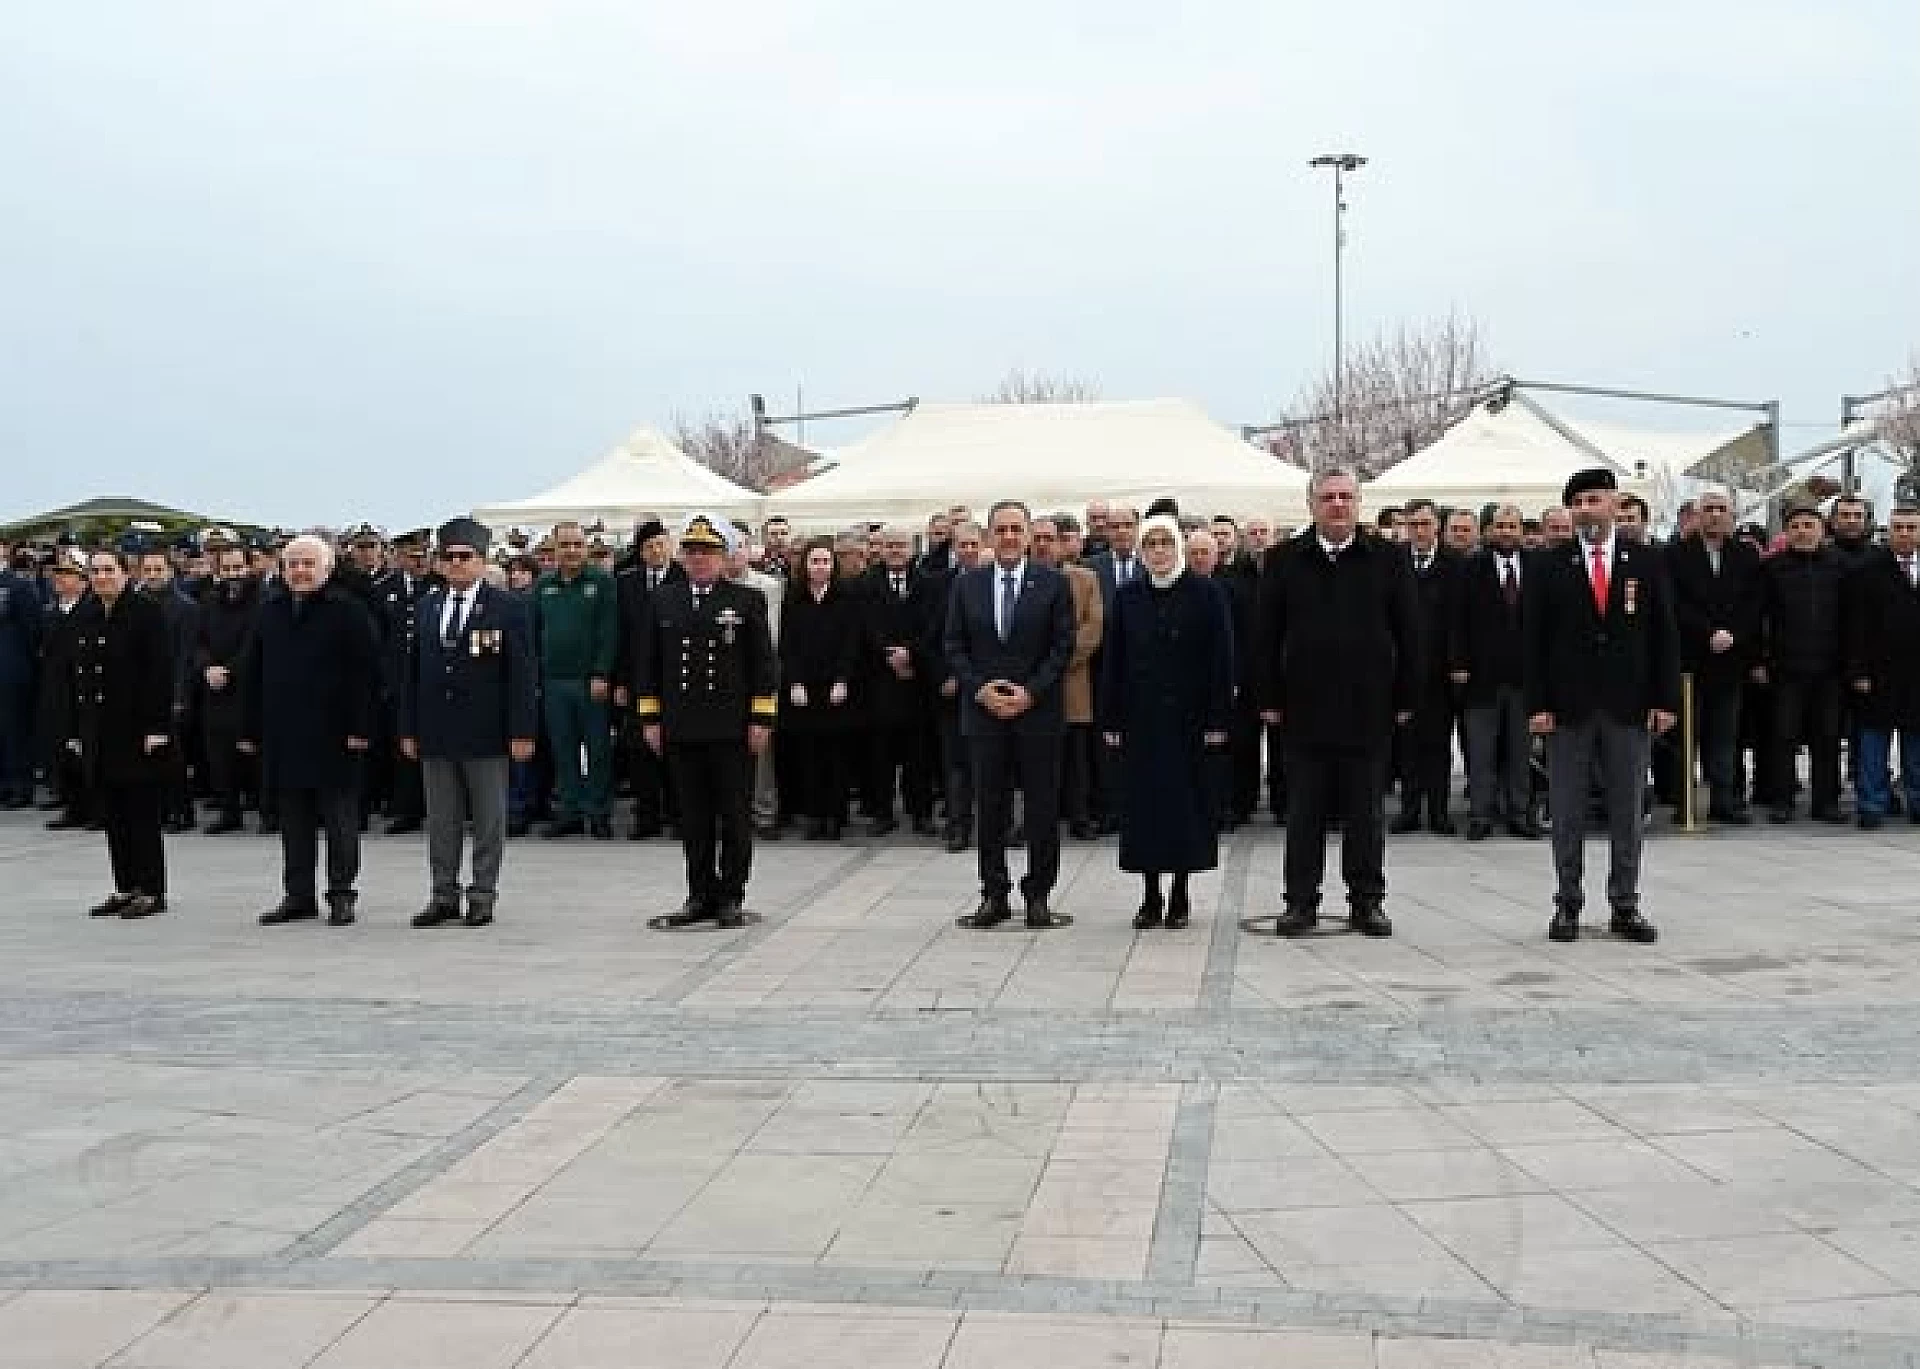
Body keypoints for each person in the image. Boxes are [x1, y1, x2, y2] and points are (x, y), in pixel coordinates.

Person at [1524, 468, 1680, 944]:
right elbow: (1532, 643)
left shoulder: (1646, 563)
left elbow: (1664, 636)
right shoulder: (1549, 566)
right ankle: (1567, 903)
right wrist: (1538, 704)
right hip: (1568, 708)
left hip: (1628, 706)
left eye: (1598, 499)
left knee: (1627, 809)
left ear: (1616, 505)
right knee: (1567, 810)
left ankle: (1625, 904)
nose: (1589, 508)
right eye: (1581, 501)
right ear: (1571, 510)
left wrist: (1665, 699)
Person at [1260, 470, 1418, 937]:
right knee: (1303, 813)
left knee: (1367, 813)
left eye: (1346, 497)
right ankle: (1300, 903)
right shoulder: (1284, 559)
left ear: (1360, 503)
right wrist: (1268, 696)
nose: (1337, 505)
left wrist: (1407, 695)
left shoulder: (1388, 559)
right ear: (1310, 504)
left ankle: (1367, 901)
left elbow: (1411, 631)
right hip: (1303, 709)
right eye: (1327, 497)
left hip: (1369, 708)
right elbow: (1265, 635)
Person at [636, 514, 778, 927]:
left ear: (723, 557)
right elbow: (648, 665)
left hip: (732, 726)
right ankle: (699, 893)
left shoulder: (746, 599)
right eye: (692, 552)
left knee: (734, 814)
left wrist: (761, 719)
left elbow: (764, 667)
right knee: (692, 816)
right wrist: (650, 718)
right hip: (681, 725)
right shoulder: (664, 600)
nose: (699, 560)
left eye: (708, 553)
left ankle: (731, 895)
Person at [399, 518, 538, 928]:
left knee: (488, 819)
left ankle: (482, 894)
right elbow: (412, 672)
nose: (457, 564)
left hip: (487, 731)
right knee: (442, 820)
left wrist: (522, 731)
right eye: (449, 557)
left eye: (466, 557)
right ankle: (443, 894)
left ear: (481, 561)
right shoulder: (426, 606)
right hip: (437, 731)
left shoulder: (507, 607)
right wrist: (408, 727)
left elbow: (522, 674)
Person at [945, 500, 1076, 930]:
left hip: (1036, 714)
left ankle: (1038, 895)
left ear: (1027, 534)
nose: (1008, 537)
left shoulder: (1053, 584)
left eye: (1016, 529)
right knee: (991, 807)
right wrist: (981, 689)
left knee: (1041, 807)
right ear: (988, 535)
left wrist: (1030, 692)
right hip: (985, 714)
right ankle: (994, 895)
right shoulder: (968, 586)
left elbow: (1062, 648)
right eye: (1000, 529)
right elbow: (955, 646)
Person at [1101, 514, 1233, 930]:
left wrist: (1217, 718)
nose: (1158, 551)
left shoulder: (1207, 595)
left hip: (1190, 724)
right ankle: (1149, 894)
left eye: (1165, 542)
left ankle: (1180, 891)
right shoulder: (1126, 598)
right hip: (1142, 722)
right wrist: (1112, 717)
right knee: (1145, 811)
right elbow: (1113, 662)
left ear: (1178, 547)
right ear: (1141, 551)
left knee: (1186, 809)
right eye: (1151, 543)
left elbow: (1222, 661)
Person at [242, 535, 381, 928]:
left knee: (339, 820)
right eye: (292, 564)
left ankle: (341, 893)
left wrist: (361, 727)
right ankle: (298, 895)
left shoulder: (348, 611)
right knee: (294, 821)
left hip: (336, 734)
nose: (299, 571)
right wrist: (250, 727)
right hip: (285, 734)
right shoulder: (270, 612)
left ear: (327, 568)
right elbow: (254, 672)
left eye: (308, 564)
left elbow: (366, 674)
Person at [61, 550, 174, 919]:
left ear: (126, 573)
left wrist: (157, 728)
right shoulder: (87, 614)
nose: (101, 577)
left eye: (109, 570)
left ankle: (152, 890)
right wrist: (77, 730)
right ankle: (125, 886)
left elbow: (159, 675)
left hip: (136, 730)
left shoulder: (145, 613)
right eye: (95, 571)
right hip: (98, 730)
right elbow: (76, 676)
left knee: (140, 813)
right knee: (113, 815)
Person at [1665, 490, 1762, 824]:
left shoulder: (1746, 556)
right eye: (1709, 510)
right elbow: (1674, 603)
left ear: (1732, 516)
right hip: (1691, 660)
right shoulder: (1676, 555)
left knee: (1725, 737)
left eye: (1722, 510)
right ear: (1696, 515)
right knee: (1686, 736)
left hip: (1730, 659)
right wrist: (1708, 632)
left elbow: (1754, 603)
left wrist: (1732, 634)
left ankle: (1724, 799)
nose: (1716, 516)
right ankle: (1685, 803)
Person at [1451, 504, 1537, 840]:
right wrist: (1458, 663)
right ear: (1488, 530)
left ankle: (1519, 815)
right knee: (1481, 752)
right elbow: (1457, 620)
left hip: (1524, 680)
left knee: (1520, 752)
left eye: (1512, 525)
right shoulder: (1471, 568)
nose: (1506, 531)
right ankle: (1481, 817)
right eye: (1500, 525)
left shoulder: (1537, 566)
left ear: (1520, 529)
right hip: (1481, 679)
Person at [1757, 504, 1846, 825]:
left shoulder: (1839, 567)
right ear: (1786, 531)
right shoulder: (1772, 569)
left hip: (1830, 668)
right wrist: (1760, 660)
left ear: (1823, 530)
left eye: (1809, 525)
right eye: (1796, 525)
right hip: (1786, 668)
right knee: (1783, 737)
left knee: (1828, 737)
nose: (1803, 531)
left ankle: (1827, 802)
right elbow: (1759, 618)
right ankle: (1782, 801)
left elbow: (1849, 619)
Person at [533, 521, 619, 840]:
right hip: (554, 682)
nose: (571, 551)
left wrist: (601, 672)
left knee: (597, 750)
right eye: (564, 545)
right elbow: (534, 632)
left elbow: (609, 631)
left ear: (586, 547)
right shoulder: (543, 586)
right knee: (563, 749)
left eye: (577, 545)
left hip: (590, 682)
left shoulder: (602, 582)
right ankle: (568, 811)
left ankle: (598, 812)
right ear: (554, 549)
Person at [778, 537, 859, 839]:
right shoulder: (794, 598)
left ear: (833, 565)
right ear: (805, 565)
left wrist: (842, 680)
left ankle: (835, 816)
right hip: (804, 691)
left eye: (826, 561)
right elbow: (788, 645)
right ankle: (814, 815)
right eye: (815, 561)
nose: (820, 566)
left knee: (836, 755)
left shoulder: (846, 597)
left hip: (836, 689)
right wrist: (795, 682)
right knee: (808, 755)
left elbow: (851, 643)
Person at [1847, 503, 1920, 829]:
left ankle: (1917, 801)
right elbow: (1856, 626)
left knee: (1916, 743)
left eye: (1912, 527)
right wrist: (1859, 671)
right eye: (1899, 527)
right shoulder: (1867, 569)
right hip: (1878, 672)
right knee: (1873, 742)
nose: (1905, 533)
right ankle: (1871, 804)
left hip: (1917, 673)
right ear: (1887, 531)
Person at [860, 525, 935, 837]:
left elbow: (933, 625)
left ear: (912, 549)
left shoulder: (927, 583)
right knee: (880, 753)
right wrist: (888, 655)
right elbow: (864, 627)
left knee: (919, 753)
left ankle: (921, 813)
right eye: (890, 545)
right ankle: (882, 813)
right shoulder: (866, 585)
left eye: (901, 545)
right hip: (880, 680)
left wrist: (911, 654)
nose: (895, 550)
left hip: (917, 680)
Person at [1031, 515, 1103, 841]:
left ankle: (1079, 816)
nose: (1044, 544)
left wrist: (1059, 661)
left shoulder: (1085, 579)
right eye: (1039, 537)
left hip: (1072, 680)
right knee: (1036, 759)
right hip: (1031, 683)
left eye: (1051, 538)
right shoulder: (1022, 580)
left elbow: (1092, 628)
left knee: (1076, 757)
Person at [1393, 500, 1459, 836]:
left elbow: (1461, 620)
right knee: (1407, 744)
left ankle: (1439, 810)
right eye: (1414, 524)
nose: (1420, 530)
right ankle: (1409, 809)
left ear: (1437, 526)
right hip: (1402, 669)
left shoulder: (1454, 564)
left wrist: (1457, 663)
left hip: (1440, 670)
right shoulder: (1394, 561)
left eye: (1426, 524)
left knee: (1438, 743)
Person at [192, 544, 262, 832]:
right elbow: (198, 641)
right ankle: (228, 812)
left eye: (238, 568)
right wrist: (207, 667)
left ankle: (270, 813)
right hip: (214, 688)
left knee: (254, 753)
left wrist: (230, 671)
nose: (233, 575)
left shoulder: (263, 601)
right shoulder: (209, 600)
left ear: (249, 568)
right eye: (227, 569)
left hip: (249, 688)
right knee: (219, 756)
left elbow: (254, 644)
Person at [924, 521, 984, 852]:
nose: (969, 551)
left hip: (988, 688)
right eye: (963, 545)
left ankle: (996, 826)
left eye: (974, 544)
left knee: (991, 763)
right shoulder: (938, 585)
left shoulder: (994, 581)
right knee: (956, 763)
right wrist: (944, 676)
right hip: (951, 691)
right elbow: (931, 639)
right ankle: (958, 826)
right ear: (954, 548)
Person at [0, 549, 44, 809]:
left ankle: (19, 785)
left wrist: (26, 666)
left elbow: (32, 630)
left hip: (12, 671)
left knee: (14, 729)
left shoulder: (19, 586)